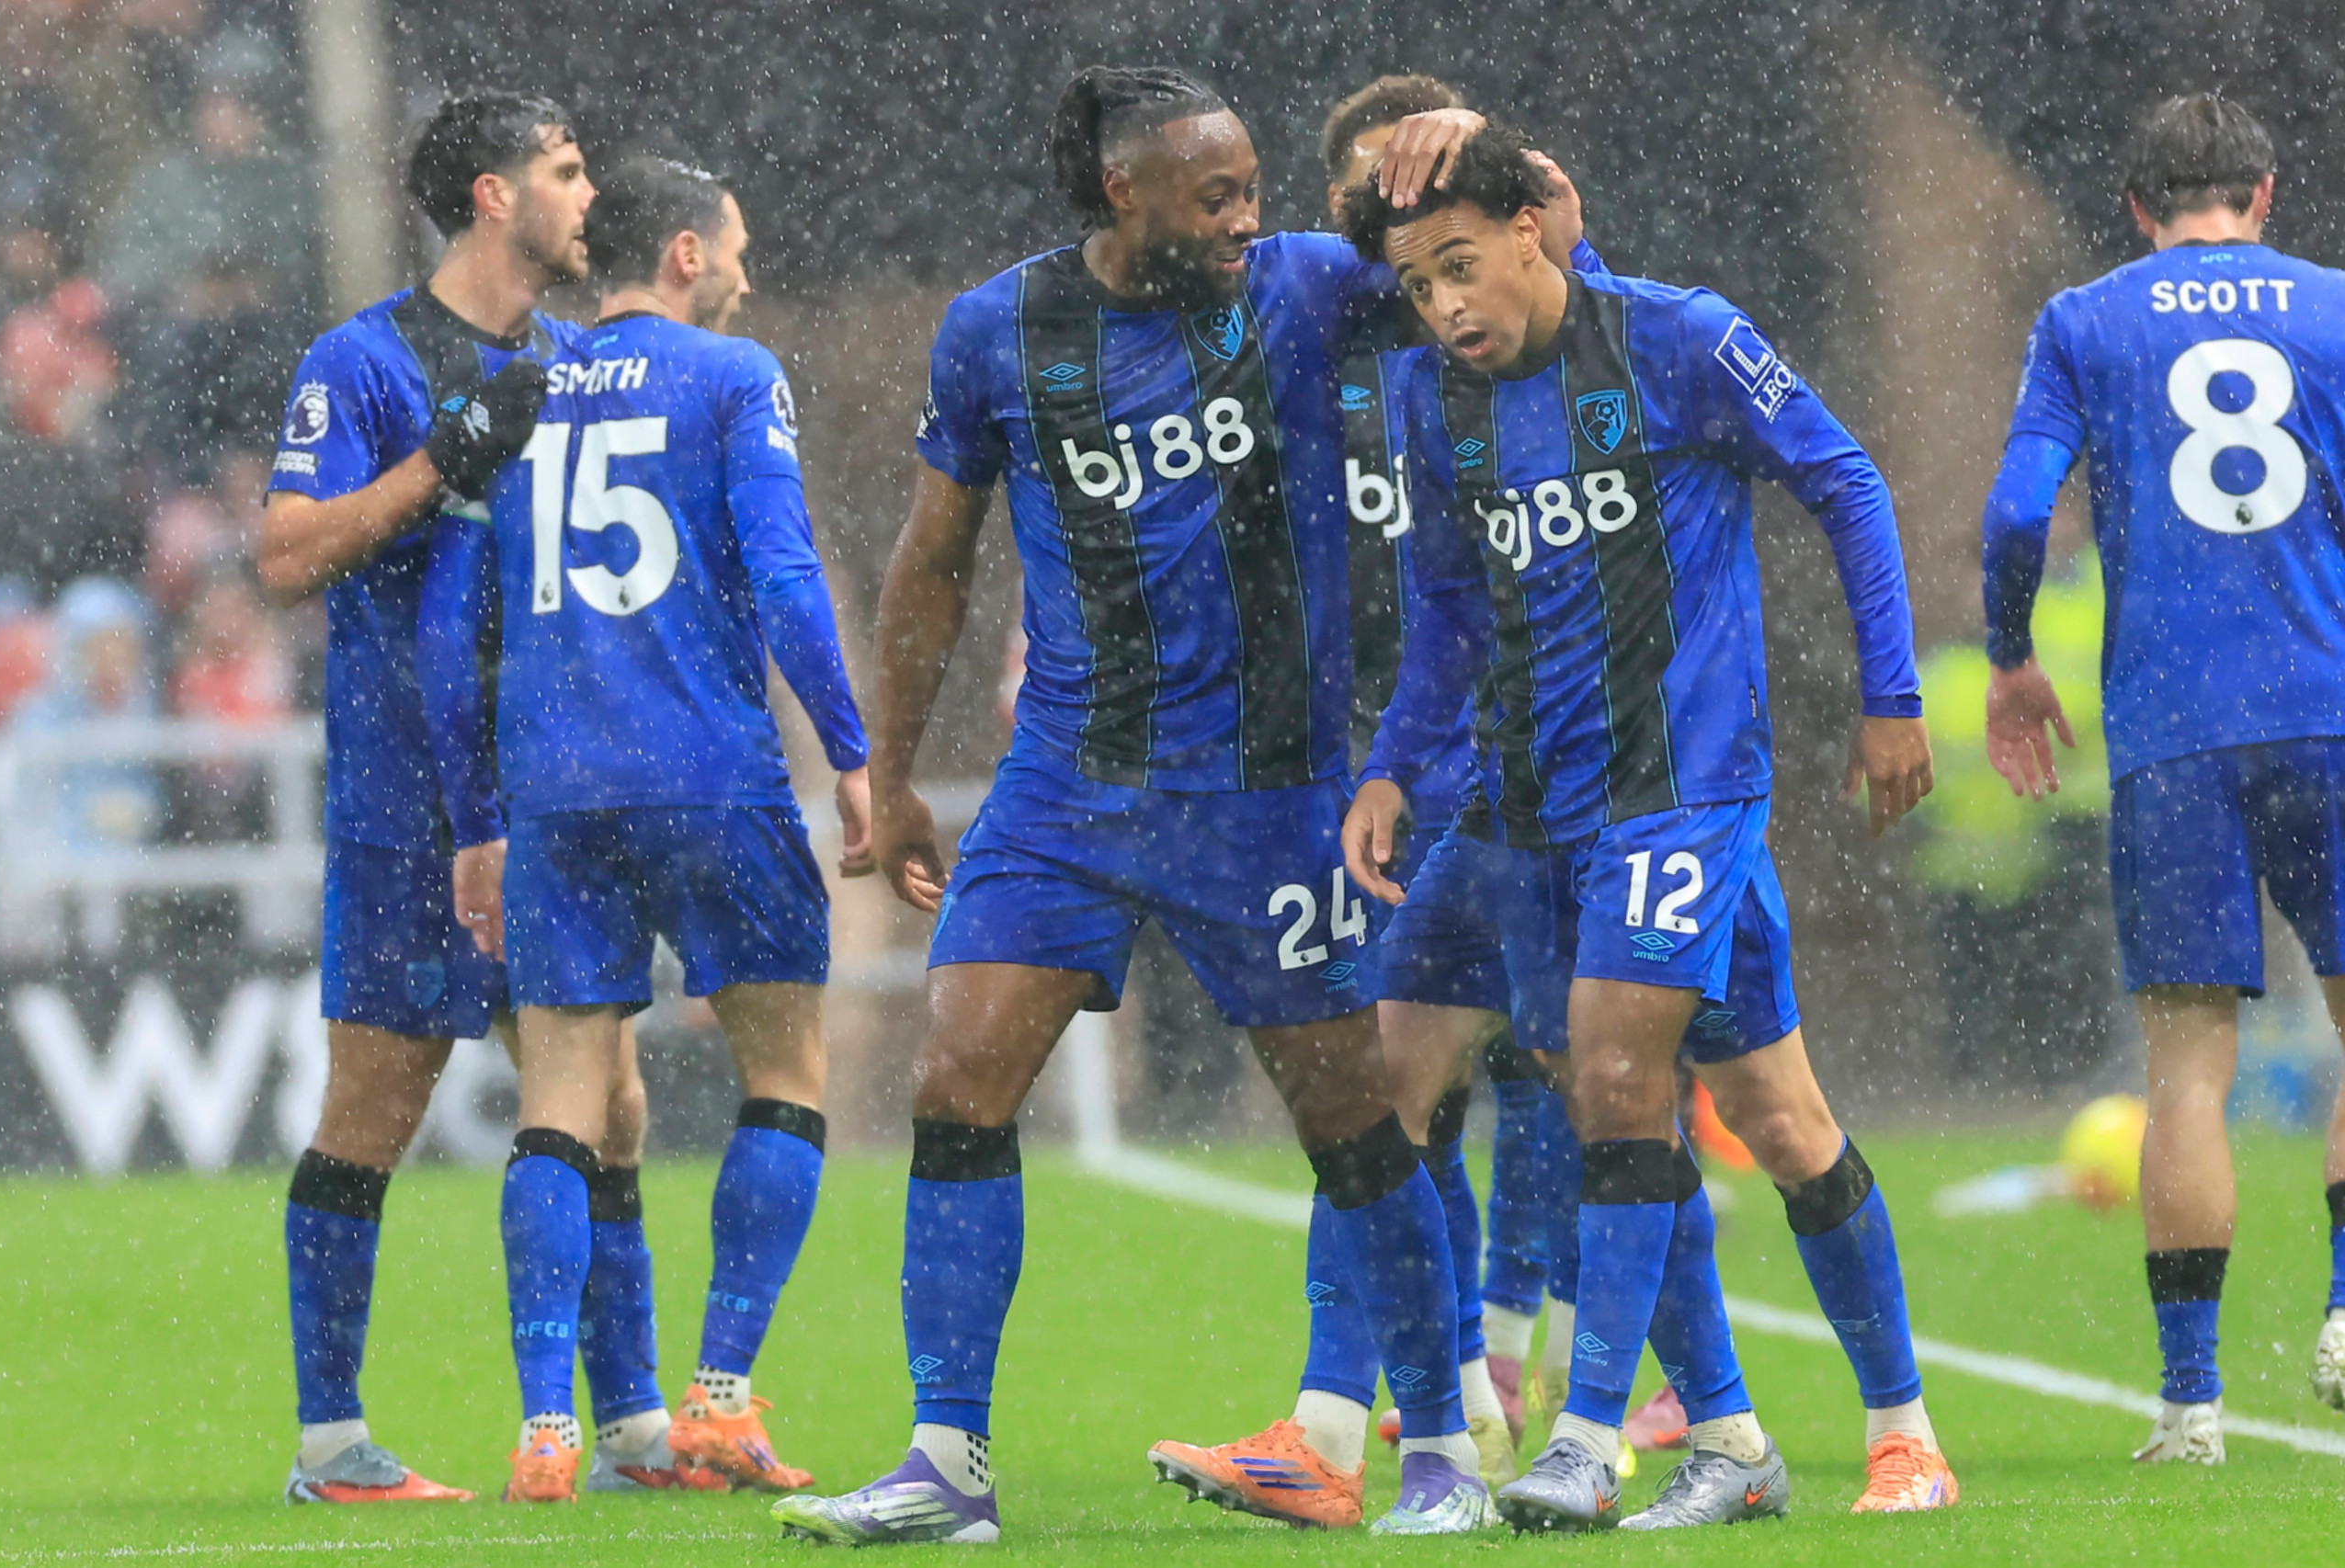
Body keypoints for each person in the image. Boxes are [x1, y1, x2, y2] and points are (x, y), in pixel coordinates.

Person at [771, 65, 1496, 1544]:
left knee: (1356, 1122)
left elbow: (1530, 259)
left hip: (1266, 795)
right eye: (1216, 193)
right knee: (958, 1083)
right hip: (1069, 787)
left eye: (1251, 189)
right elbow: (933, 561)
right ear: (1126, 194)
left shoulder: (1300, 289)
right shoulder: (999, 332)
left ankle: (1439, 1460)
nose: (1248, 214)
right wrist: (892, 774)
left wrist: (1476, 160)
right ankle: (947, 1464)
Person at [1338, 125, 1940, 1528]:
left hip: (1687, 790)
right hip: (1540, 813)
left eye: (1463, 268)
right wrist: (1391, 764)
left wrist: (1892, 696)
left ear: (1534, 231)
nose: (1447, 307)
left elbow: (1844, 479)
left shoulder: (1679, 340)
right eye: (1419, 285)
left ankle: (1592, 1437)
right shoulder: (1435, 402)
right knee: (1779, 1120)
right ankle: (1746, 1439)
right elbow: (1442, 609)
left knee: (1614, 1079)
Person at [1144, 75, 1601, 1520]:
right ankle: (1476, 1381)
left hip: (1498, 756)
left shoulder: (1513, 350)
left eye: (1433, 215)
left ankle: (1400, 1407)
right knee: (1413, 1091)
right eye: (1374, 228)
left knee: (1448, 1085)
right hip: (1362, 763)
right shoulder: (1341, 352)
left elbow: (1571, 248)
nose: (1400, 250)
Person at [421, 154, 873, 1504]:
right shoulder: (734, 378)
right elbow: (789, 575)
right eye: (733, 248)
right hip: (710, 772)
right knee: (786, 1073)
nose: (745, 273)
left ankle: (546, 1425)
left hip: (557, 787)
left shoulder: (513, 388)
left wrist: (474, 810)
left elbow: (456, 625)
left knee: (559, 1101)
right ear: (683, 252)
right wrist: (852, 751)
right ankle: (720, 1397)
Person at [257, 90, 660, 1506]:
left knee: (610, 1099)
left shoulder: (578, 360)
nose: (588, 192)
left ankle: (632, 1427)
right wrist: (443, 463)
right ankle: (330, 1443)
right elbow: (287, 555)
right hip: (404, 799)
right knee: (377, 1099)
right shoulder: (361, 360)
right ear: (494, 196)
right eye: (565, 169)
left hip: (556, 794)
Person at [1981, 92, 2345, 1462]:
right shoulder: (2333, 308)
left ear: (2136, 209)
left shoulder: (2086, 320)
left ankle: (2191, 1406)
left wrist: (2014, 653)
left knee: (2188, 1062)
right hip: (2330, 706)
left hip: (2174, 729)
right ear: (2263, 192)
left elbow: (2020, 507)